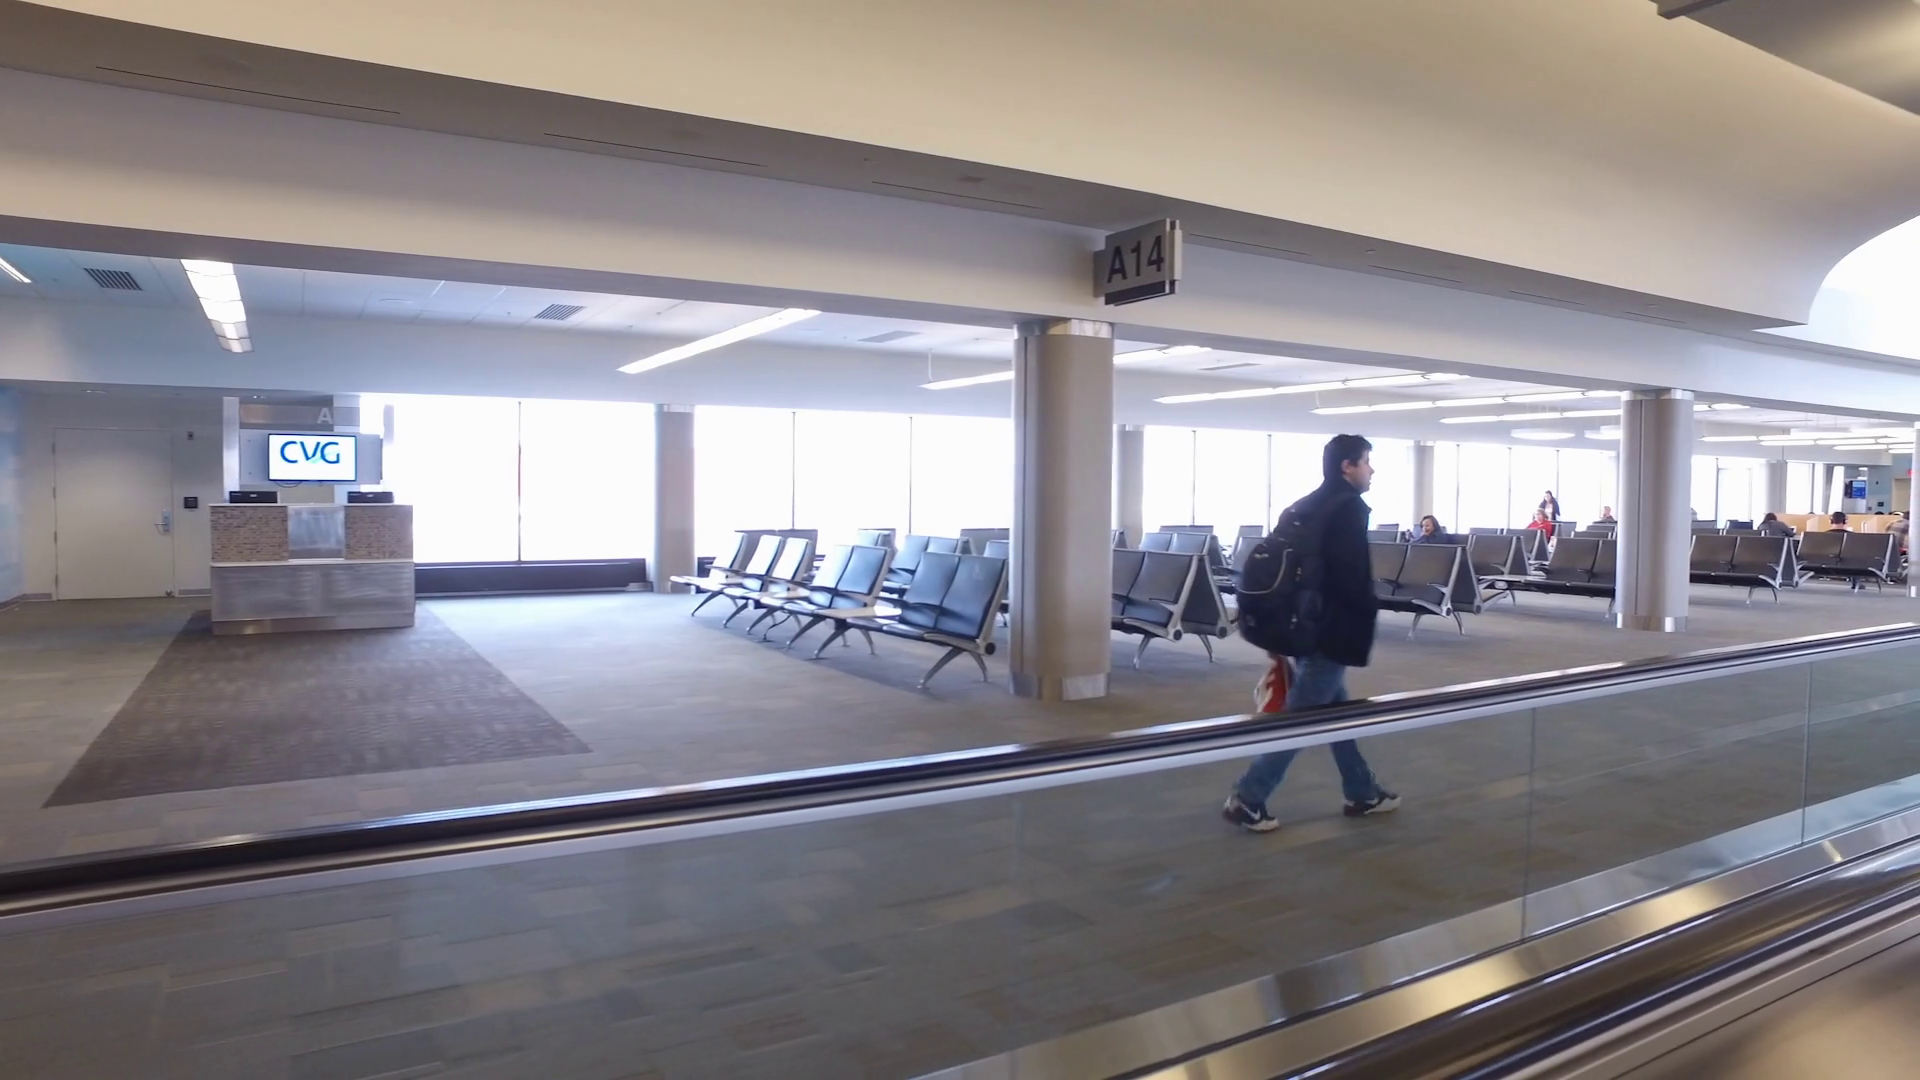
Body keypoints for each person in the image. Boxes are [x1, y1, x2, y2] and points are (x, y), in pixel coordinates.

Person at [1222, 434, 1399, 833]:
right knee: (1300, 719)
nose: (1371, 470)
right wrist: (1370, 606)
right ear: (1347, 467)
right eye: (1366, 462)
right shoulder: (1347, 508)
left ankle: (1362, 791)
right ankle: (1249, 797)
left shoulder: (1305, 506)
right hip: (1331, 629)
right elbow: (1350, 577)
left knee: (1336, 714)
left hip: (1301, 624)